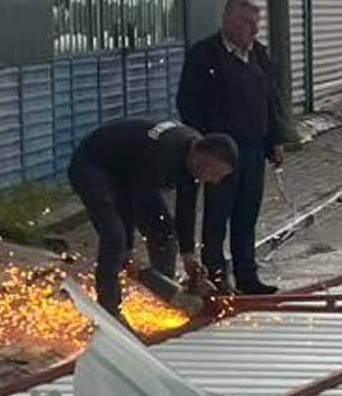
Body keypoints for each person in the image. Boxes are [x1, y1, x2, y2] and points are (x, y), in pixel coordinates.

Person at [175, 0, 297, 296]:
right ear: (228, 21)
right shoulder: (205, 54)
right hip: (219, 154)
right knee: (217, 217)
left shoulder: (259, 55)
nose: (253, 30)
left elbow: (271, 100)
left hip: (254, 149)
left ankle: (247, 276)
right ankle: (216, 277)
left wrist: (276, 140)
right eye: (246, 23)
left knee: (247, 214)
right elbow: (188, 102)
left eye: (256, 23)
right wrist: (204, 145)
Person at [66, 117, 237, 317]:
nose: (215, 181)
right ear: (202, 158)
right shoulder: (162, 154)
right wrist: (129, 249)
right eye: (215, 174)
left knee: (164, 233)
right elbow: (129, 200)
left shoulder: (193, 156)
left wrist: (188, 253)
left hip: (130, 175)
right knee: (115, 238)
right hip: (94, 166)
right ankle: (109, 310)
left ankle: (166, 296)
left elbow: (186, 206)